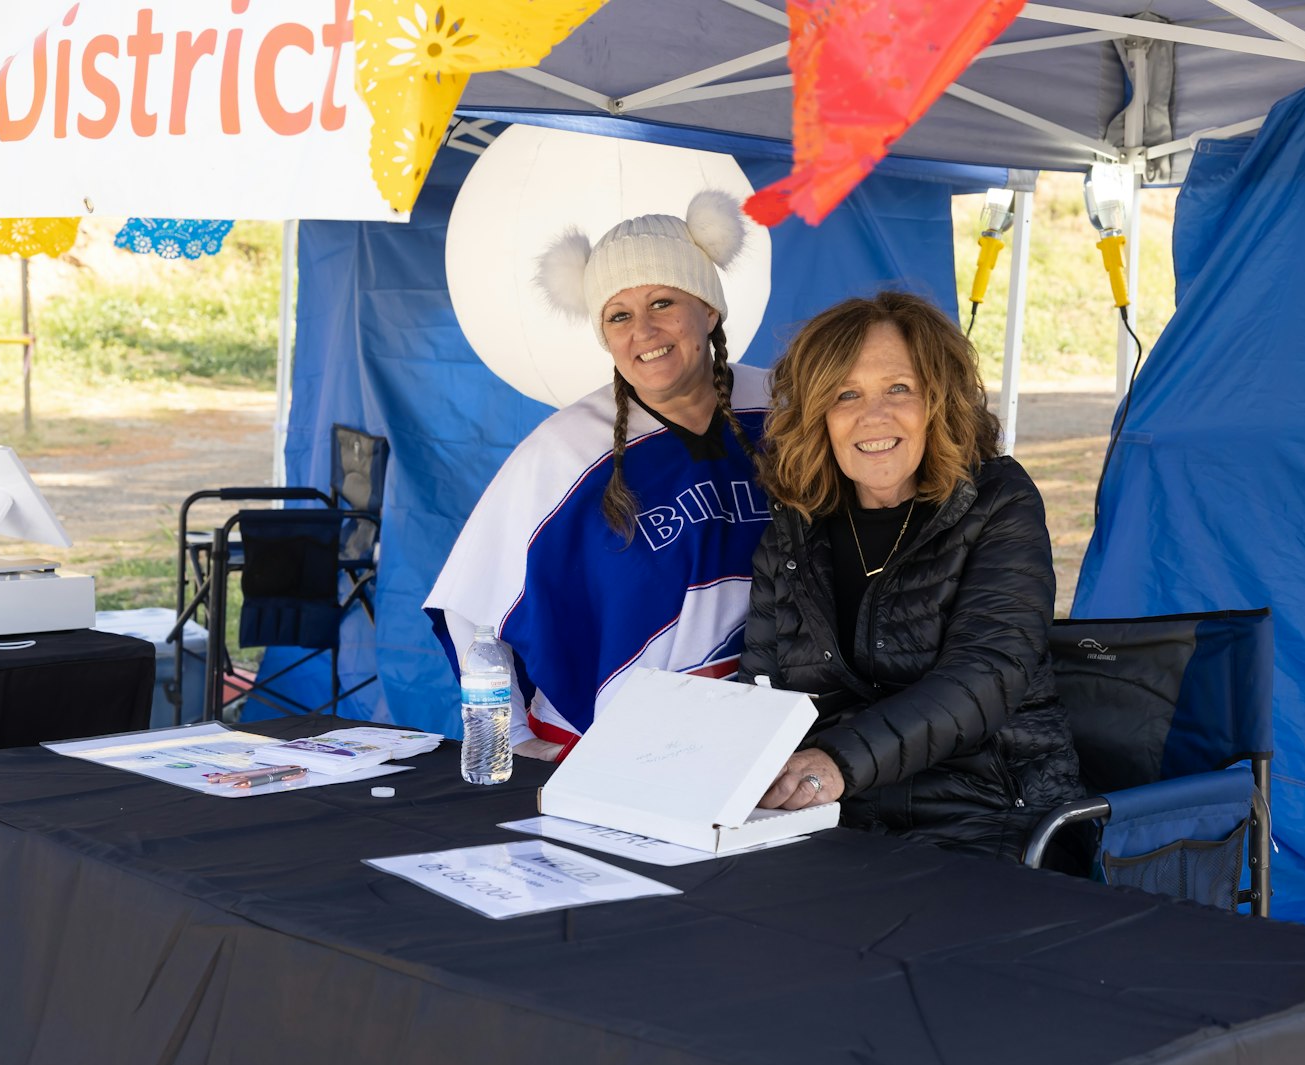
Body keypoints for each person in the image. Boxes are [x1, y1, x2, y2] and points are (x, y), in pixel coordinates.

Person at [426, 191, 771, 758]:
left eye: (663, 302)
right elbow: (470, 607)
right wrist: (507, 739)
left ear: (709, 309)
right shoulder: (566, 451)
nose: (644, 330)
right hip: (607, 750)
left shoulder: (782, 407)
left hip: (758, 733)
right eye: (619, 315)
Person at [740, 291, 1084, 861]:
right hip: (839, 817)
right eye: (846, 395)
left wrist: (835, 764)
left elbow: (986, 675)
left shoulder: (998, 500)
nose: (873, 416)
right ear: (819, 417)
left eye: (898, 389)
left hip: (988, 812)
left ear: (938, 400)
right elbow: (763, 687)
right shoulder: (795, 526)